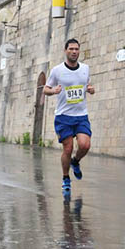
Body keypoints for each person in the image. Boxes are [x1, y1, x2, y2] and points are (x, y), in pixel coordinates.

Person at [43, 39, 95, 194]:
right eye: (71, 49)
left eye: (76, 49)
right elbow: (45, 89)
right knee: (68, 147)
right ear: (65, 51)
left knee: (85, 145)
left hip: (81, 115)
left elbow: (87, 85)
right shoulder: (57, 70)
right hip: (63, 116)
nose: (74, 52)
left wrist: (90, 89)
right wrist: (53, 91)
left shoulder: (85, 68)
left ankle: (75, 161)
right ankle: (66, 178)